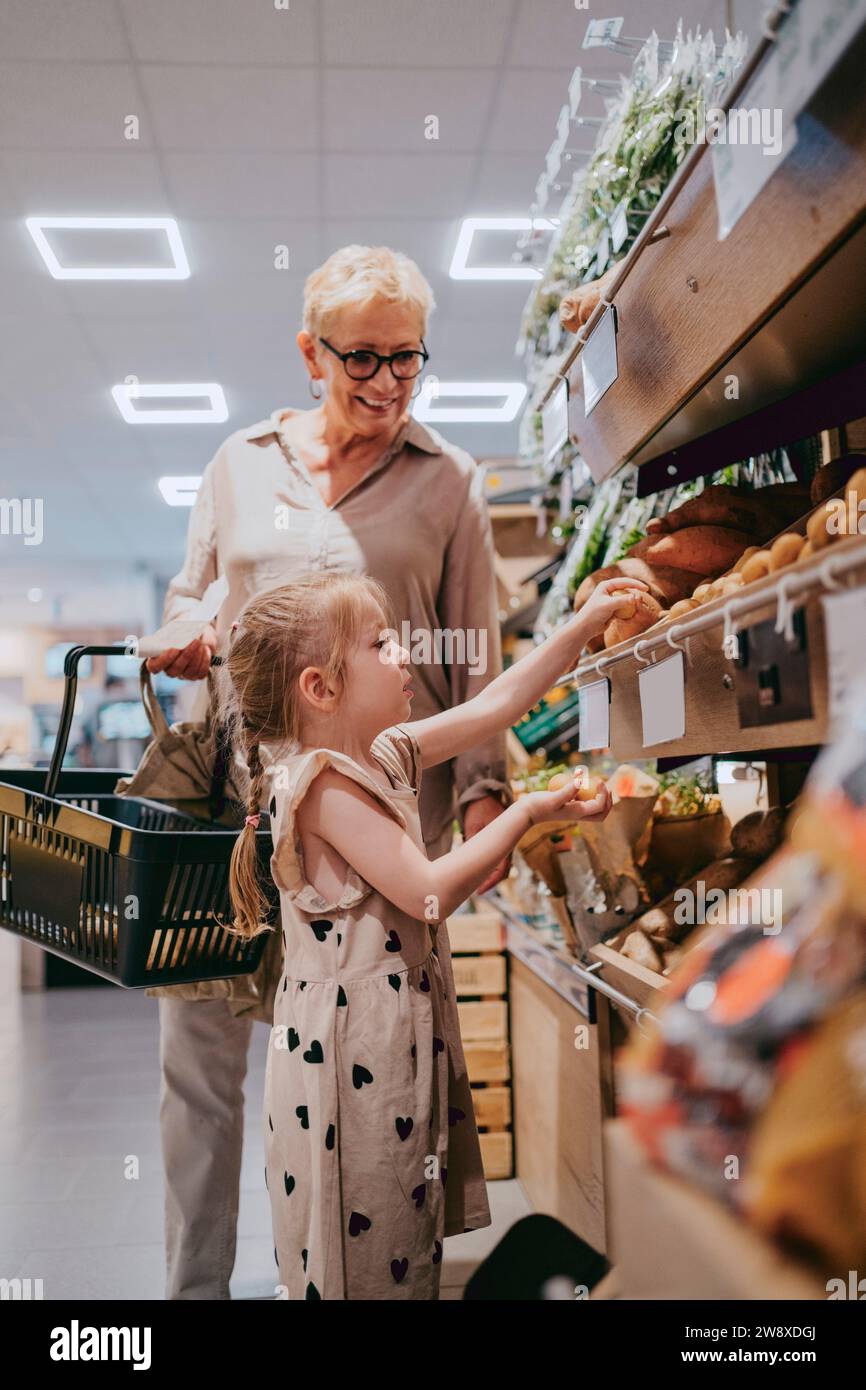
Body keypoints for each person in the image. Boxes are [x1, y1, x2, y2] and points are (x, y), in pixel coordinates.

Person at [145, 245, 514, 1299]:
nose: (389, 383)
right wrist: (182, 631)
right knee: (201, 1077)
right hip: (237, 820)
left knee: (359, 1074)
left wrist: (483, 782)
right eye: (362, 359)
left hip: (368, 827)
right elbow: (191, 593)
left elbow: (472, 651)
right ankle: (193, 1295)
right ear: (309, 352)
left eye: (409, 359)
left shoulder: (447, 484)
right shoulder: (238, 462)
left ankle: (356, 1276)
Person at [222, 569, 642, 1300]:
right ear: (321, 688)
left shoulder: (381, 754)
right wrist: (528, 815)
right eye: (382, 644)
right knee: (368, 1241)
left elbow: (497, 706)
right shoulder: (321, 786)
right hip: (351, 1058)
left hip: (389, 1038)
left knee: (398, 1231)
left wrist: (581, 628)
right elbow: (427, 893)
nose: (405, 653)